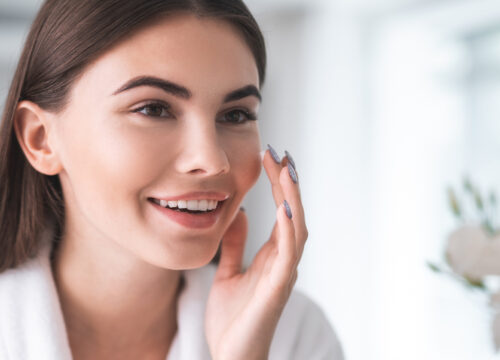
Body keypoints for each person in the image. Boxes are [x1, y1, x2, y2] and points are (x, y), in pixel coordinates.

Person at [0, 0, 344, 359]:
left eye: (236, 114)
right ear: (41, 138)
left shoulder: (297, 336)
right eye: (153, 109)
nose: (211, 161)